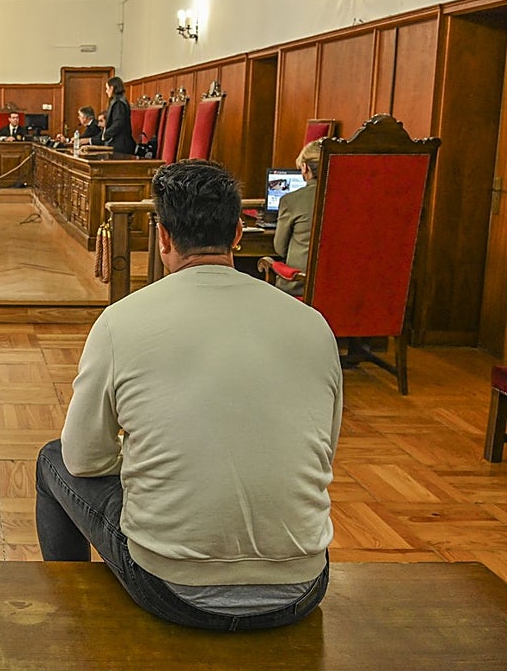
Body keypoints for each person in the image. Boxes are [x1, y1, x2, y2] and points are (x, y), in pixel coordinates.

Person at [35, 159, 342, 631]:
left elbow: (82, 460)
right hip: (302, 584)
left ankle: (74, 617)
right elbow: (325, 447)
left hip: (170, 587)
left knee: (51, 460)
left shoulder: (121, 321)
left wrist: (156, 463)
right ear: (238, 232)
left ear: (162, 236)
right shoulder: (314, 324)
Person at [272, 138, 323, 296]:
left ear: (305, 167)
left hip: (299, 285)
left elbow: (280, 249)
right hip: (338, 286)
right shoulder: (352, 199)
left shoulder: (291, 200)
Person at [100, 75, 136, 156]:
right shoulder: (119, 101)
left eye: (107, 88)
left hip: (120, 145)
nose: (106, 91)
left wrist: (106, 135)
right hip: (121, 143)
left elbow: (118, 123)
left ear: (112, 88)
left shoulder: (119, 103)